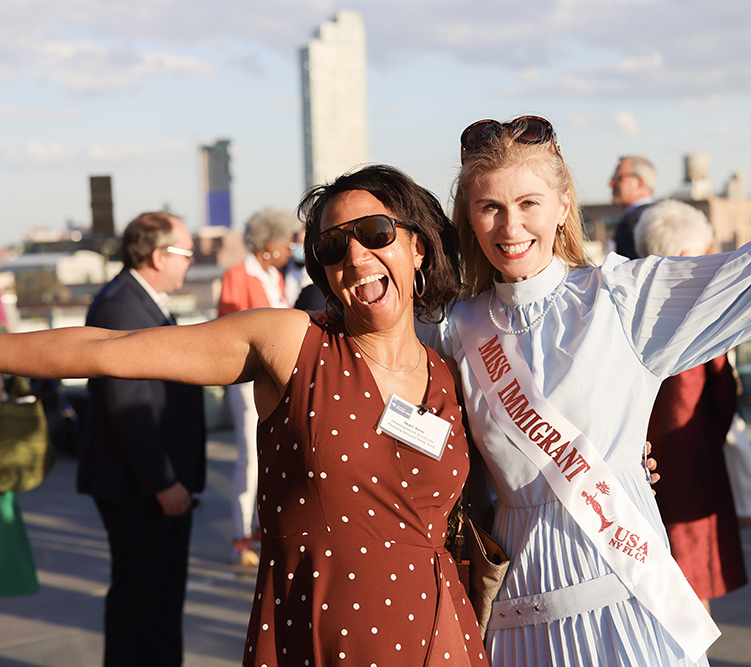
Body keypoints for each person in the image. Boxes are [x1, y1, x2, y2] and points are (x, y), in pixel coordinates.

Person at [425, 77, 751, 667]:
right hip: (516, 618)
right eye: (490, 207)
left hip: (625, 602)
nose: (510, 227)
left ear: (564, 205)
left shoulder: (619, 300)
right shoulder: (452, 329)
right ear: (469, 213)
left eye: (528, 203)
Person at [0, 166, 488, 666]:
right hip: (318, 634)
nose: (357, 257)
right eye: (332, 247)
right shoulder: (292, 344)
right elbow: (107, 348)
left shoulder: (451, 373)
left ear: (418, 247)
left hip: (440, 634)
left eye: (375, 233)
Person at [75, 211, 205, 667]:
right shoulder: (121, 306)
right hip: (139, 488)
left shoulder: (143, 299)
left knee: (161, 604)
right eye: (187, 253)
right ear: (158, 255)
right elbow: (127, 406)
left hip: (154, 483)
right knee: (141, 607)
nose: (192, 262)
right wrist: (162, 481)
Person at [634, 199, 747, 611]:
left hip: (632, 466)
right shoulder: (701, 313)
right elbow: (721, 394)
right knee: (692, 596)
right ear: (686, 256)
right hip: (689, 460)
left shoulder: (627, 302)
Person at [217, 207, 300, 567]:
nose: (289, 249)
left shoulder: (274, 276)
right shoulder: (237, 276)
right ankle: (241, 534)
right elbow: (226, 329)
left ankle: (265, 528)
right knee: (249, 457)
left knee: (273, 455)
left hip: (276, 381)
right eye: (285, 242)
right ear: (269, 244)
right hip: (248, 379)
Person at [609, 155, 656, 259]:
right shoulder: (665, 217)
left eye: (619, 178)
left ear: (639, 183)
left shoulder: (631, 224)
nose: (610, 183)